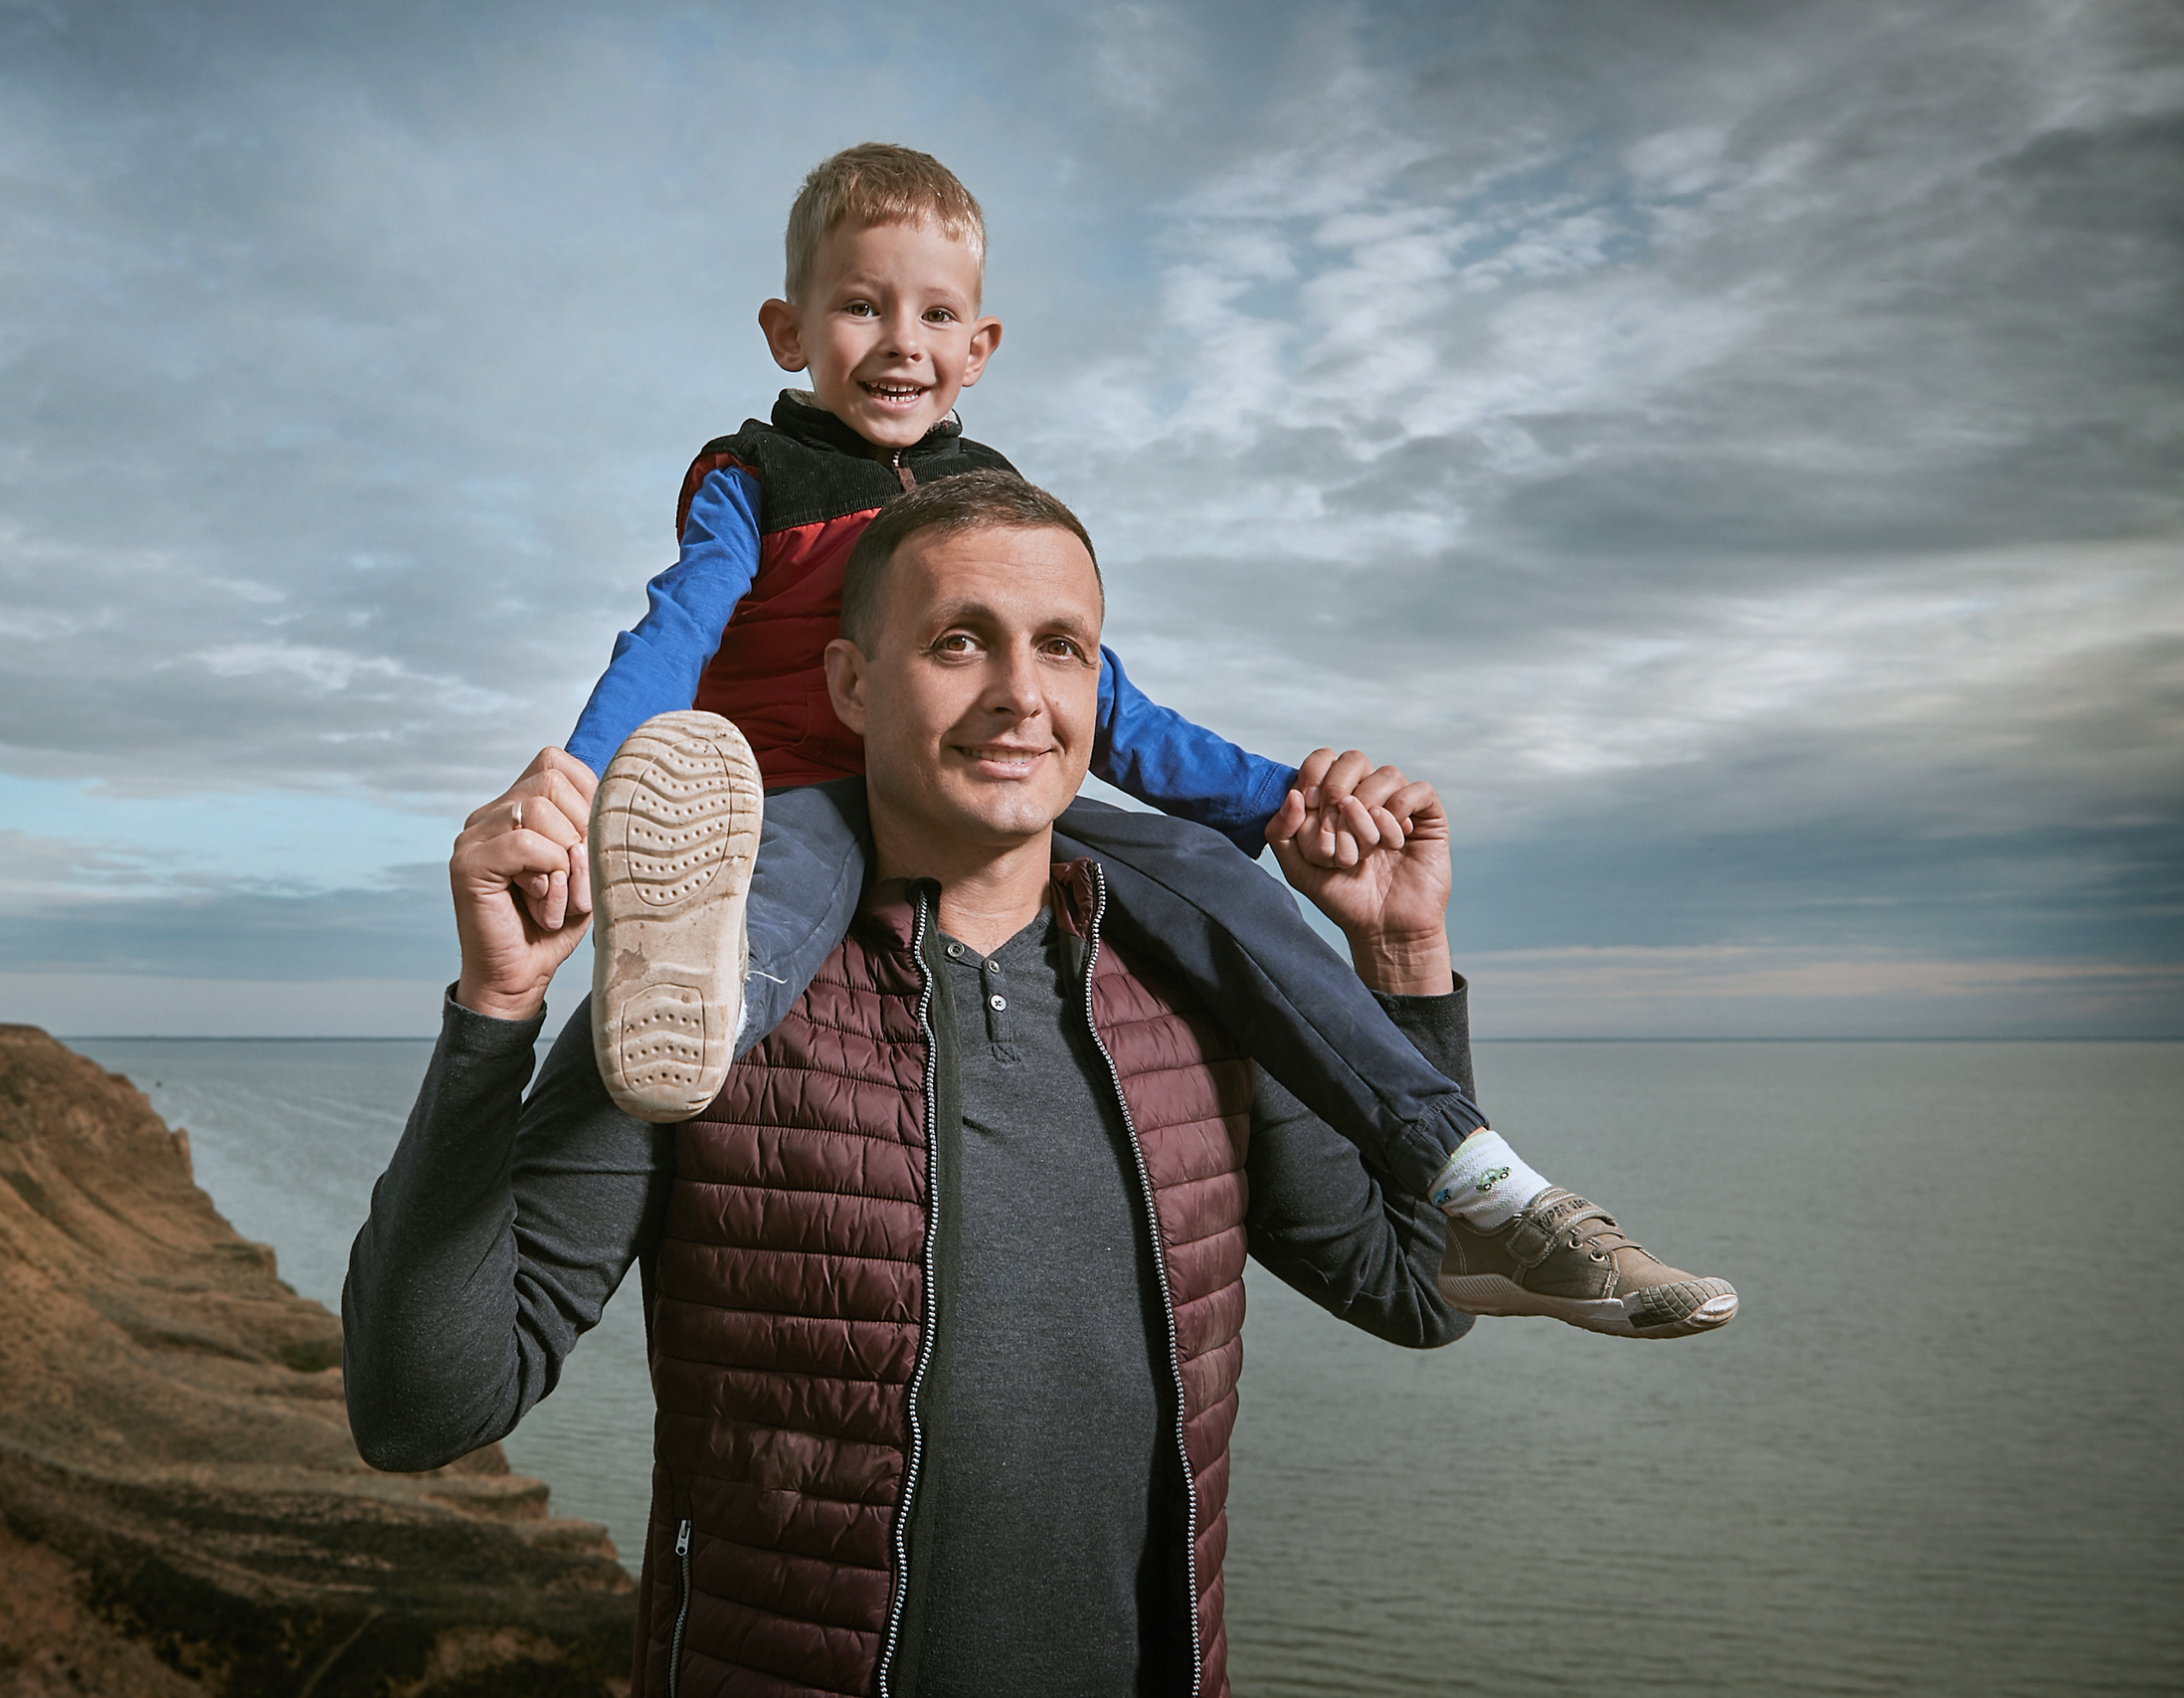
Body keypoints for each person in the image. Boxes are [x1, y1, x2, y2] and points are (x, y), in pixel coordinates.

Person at [344, 477, 1730, 1696]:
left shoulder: (1205, 978)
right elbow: (424, 1402)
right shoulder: (704, 988)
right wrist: (500, 1006)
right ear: (846, 684)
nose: (1022, 693)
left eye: (1063, 647)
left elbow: (1417, 1286)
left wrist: (1402, 952)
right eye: (960, 641)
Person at [560, 141, 1729, 1336]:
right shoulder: (753, 475)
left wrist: (1278, 804)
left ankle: (1490, 1192)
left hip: (998, 801)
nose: (901, 340)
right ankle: (683, 1016)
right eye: (861, 306)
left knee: (1218, 880)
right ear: (786, 330)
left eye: (936, 313)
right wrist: (577, 783)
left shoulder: (996, 500)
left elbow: (1107, 710)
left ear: (980, 347)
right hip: (802, 789)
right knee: (762, 915)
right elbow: (676, 625)